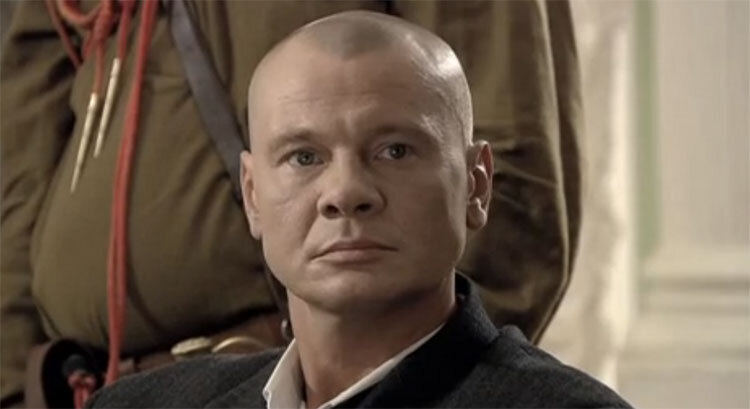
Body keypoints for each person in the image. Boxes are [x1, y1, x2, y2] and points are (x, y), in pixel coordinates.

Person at [1, 1, 581, 406]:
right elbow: (18, 181)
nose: (344, 191)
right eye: (305, 158)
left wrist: (432, 382)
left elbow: (515, 176)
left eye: (393, 152)